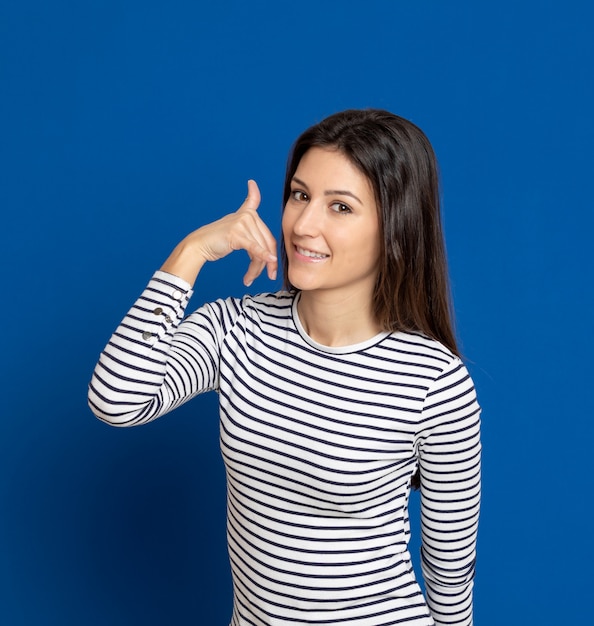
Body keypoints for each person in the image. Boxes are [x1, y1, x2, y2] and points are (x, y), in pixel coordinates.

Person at [88, 109, 481, 626]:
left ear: (396, 226)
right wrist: (193, 250)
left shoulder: (434, 380)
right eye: (300, 194)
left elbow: (450, 573)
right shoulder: (236, 331)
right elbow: (116, 400)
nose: (303, 224)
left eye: (340, 206)